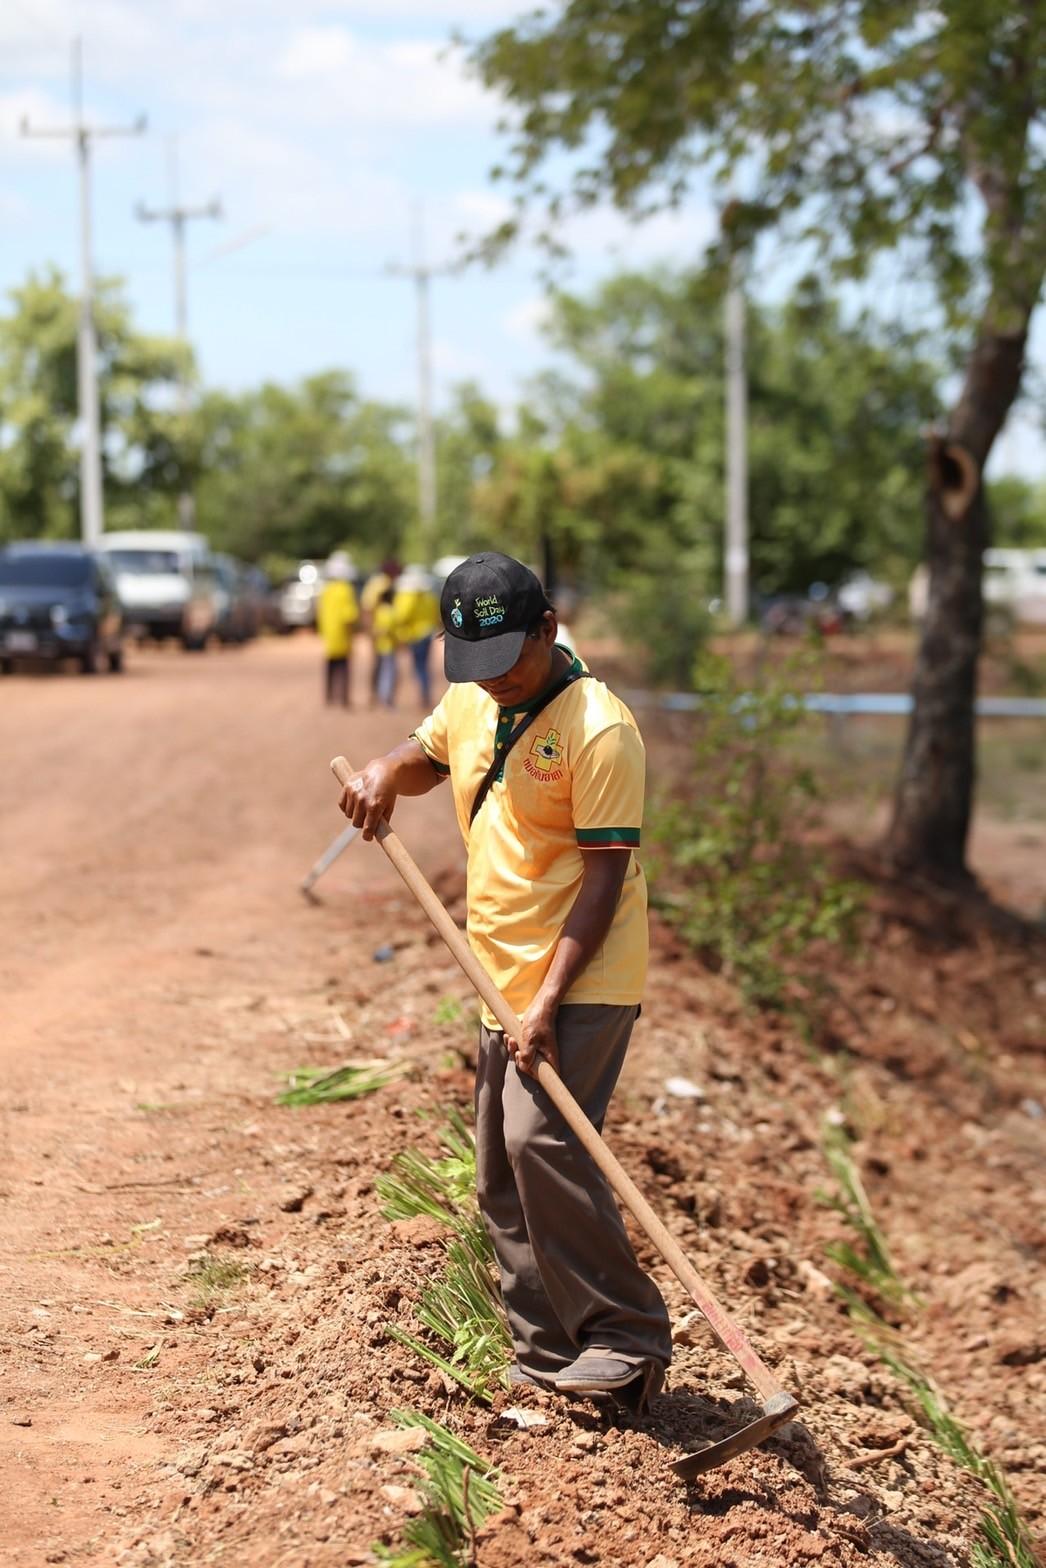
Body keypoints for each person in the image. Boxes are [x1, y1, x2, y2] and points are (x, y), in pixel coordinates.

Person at [338, 550, 671, 1407]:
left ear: (550, 630)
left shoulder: (599, 728)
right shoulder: (472, 696)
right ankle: (548, 1350)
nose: (493, 684)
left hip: (581, 975)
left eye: (510, 662)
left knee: (543, 1142)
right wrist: (384, 775)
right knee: (497, 1171)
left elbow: (603, 878)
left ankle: (626, 1336)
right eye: (474, 667)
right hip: (499, 972)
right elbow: (426, 752)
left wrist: (547, 999)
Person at [392, 565, 441, 709]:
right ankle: (425, 695)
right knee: (424, 666)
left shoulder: (408, 596)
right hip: (427, 634)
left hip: (414, 635)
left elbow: (402, 615)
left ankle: (423, 696)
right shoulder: (429, 597)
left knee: (419, 667)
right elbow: (435, 616)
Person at [317, 551, 359, 708]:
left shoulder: (326, 590)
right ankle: (343, 698)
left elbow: (320, 613)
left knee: (330, 666)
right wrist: (352, 634)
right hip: (342, 636)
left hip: (329, 635)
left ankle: (329, 697)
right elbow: (349, 616)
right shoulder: (346, 589)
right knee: (343, 668)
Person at [361, 558, 401, 707]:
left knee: (379, 664)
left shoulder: (379, 582)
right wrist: (371, 630)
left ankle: (377, 695)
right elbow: (369, 608)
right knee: (379, 664)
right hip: (379, 629)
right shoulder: (381, 584)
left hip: (380, 628)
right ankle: (376, 695)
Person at [371, 585, 399, 709]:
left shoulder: (380, 610)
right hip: (389, 646)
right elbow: (388, 629)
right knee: (388, 673)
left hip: (380, 645)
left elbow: (376, 628)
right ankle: (386, 699)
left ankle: (381, 697)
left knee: (383, 671)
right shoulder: (390, 611)